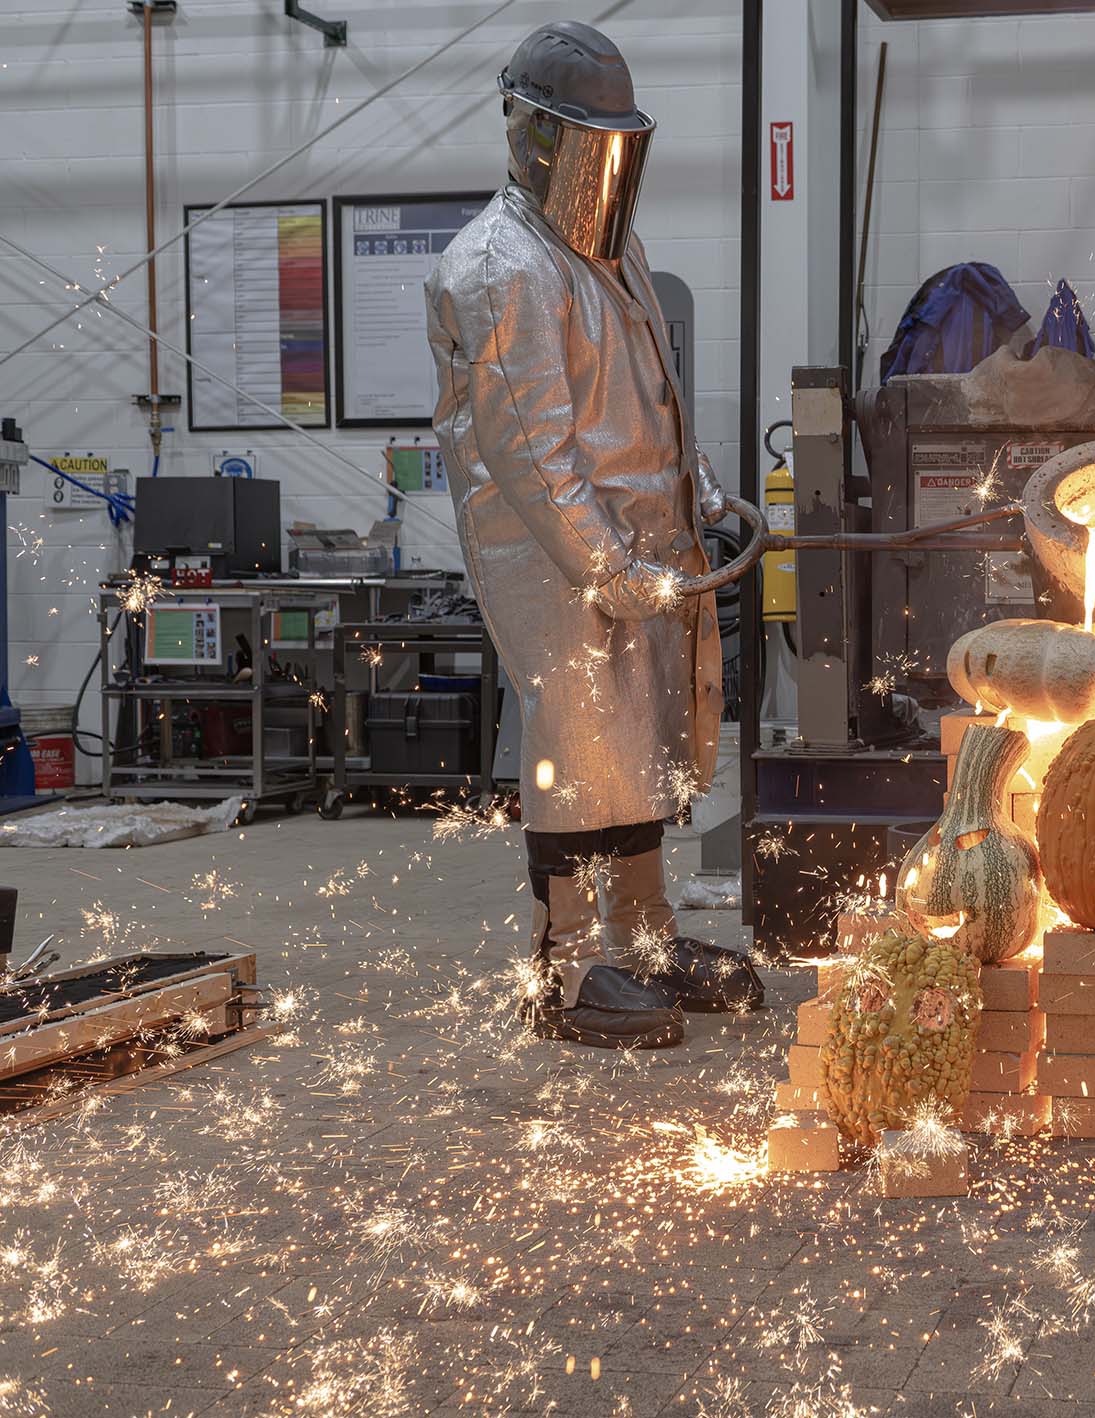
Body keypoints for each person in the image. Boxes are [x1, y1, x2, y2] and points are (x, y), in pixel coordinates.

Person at [426, 21, 763, 1049]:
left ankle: (647, 940)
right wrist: (607, 566)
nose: (605, 168)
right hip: (557, 556)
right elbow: (530, 446)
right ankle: (564, 972)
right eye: (588, 143)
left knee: (644, 744)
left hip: (642, 545)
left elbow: (649, 393)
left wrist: (698, 488)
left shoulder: (606, 253)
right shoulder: (498, 267)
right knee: (581, 749)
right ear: (534, 134)